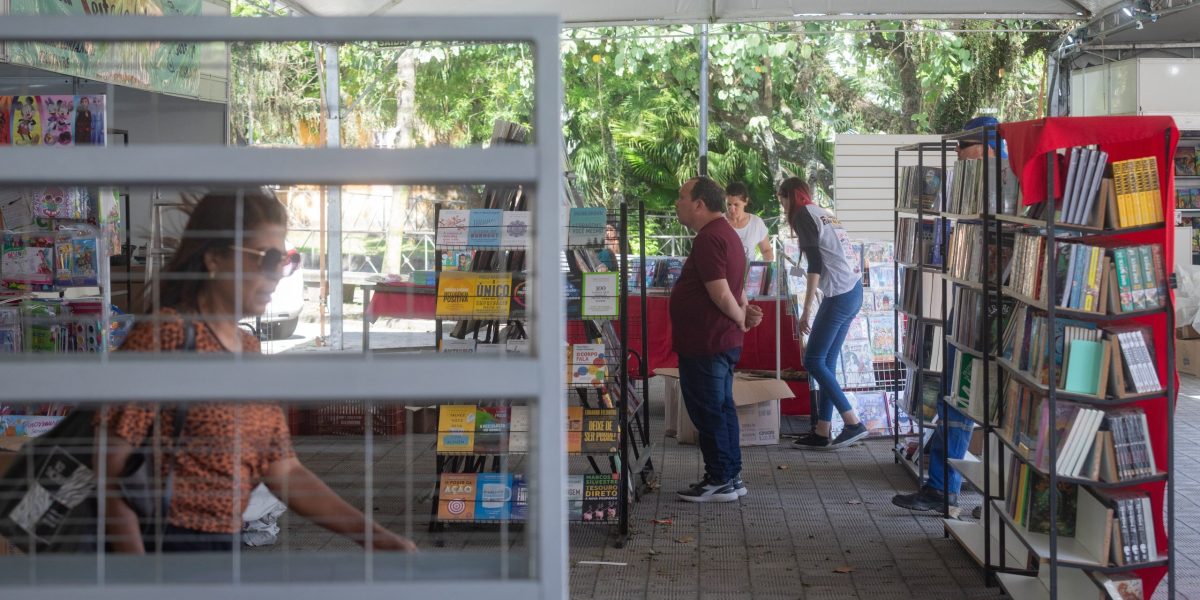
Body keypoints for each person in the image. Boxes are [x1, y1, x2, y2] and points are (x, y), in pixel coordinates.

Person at [98, 190, 416, 553]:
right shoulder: (166, 336)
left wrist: (377, 538)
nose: (277, 275)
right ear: (215, 259)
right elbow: (110, 472)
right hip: (164, 549)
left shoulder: (247, 350)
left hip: (224, 547)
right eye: (267, 259)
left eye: (284, 260)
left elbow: (285, 471)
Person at [893, 115, 1005, 513]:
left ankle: (944, 487)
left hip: (988, 313)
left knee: (962, 397)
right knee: (953, 395)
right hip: (968, 305)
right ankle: (942, 483)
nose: (957, 155)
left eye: (964, 147)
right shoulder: (977, 188)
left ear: (988, 147)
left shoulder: (1003, 191)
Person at [670, 176, 763, 503]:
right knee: (721, 408)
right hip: (715, 340)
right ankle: (729, 474)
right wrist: (744, 312)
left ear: (699, 203)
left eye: (682, 197)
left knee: (709, 410)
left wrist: (740, 318)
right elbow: (735, 290)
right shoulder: (727, 235)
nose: (677, 203)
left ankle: (721, 477)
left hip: (708, 341)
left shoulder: (710, 238)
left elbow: (722, 293)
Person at [779, 177, 869, 450]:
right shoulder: (822, 212)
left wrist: (806, 310)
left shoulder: (804, 215)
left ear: (791, 197)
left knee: (814, 360)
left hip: (840, 294)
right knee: (826, 362)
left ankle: (852, 422)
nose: (781, 205)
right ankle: (822, 430)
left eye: (781, 199)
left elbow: (815, 264)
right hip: (852, 290)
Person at [724, 182, 774, 263]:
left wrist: (766, 271)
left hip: (749, 274)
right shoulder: (719, 222)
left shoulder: (756, 223)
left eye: (736, 205)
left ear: (746, 201)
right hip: (724, 274)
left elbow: (766, 250)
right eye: (729, 204)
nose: (732, 209)